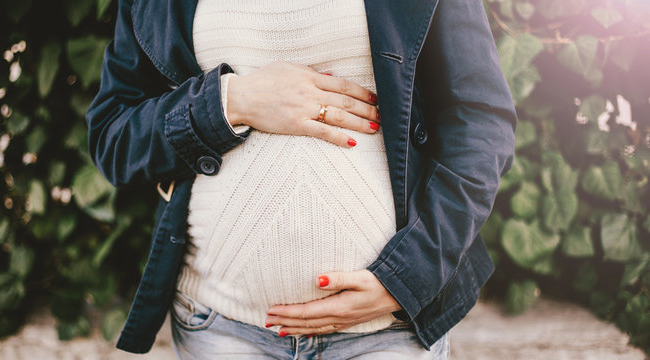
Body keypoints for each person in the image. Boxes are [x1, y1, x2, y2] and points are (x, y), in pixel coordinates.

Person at [86, 0, 516, 358]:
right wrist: (231, 101)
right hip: (222, 329)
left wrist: (410, 277)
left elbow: (481, 122)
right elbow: (114, 136)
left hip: (388, 333)